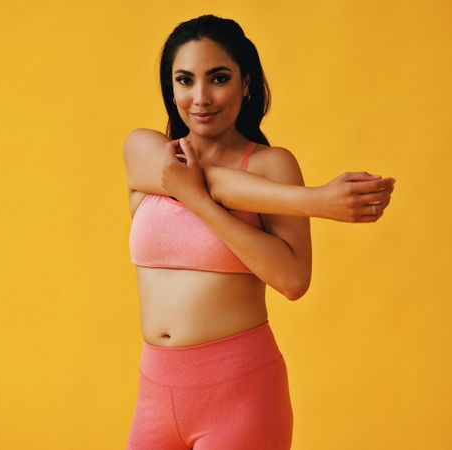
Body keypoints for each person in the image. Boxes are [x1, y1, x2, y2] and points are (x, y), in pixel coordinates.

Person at [123, 14, 396, 450]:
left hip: (240, 393)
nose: (200, 97)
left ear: (246, 83)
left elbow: (292, 281)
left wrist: (195, 200)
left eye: (218, 78)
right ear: (170, 88)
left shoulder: (271, 166)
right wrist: (315, 200)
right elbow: (209, 182)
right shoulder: (144, 151)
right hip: (155, 393)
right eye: (185, 80)